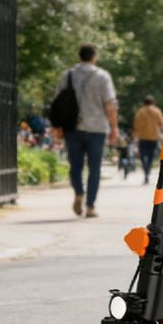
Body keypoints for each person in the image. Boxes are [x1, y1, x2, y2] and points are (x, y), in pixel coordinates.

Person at [53, 43, 118, 218]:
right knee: (95, 167)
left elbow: (57, 102)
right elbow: (110, 104)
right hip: (97, 128)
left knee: (75, 165)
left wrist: (57, 127)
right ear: (94, 56)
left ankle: (79, 192)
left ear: (79, 56)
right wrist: (114, 128)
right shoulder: (103, 77)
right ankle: (90, 206)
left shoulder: (67, 75)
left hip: (72, 127)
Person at [133, 95, 163, 185]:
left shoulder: (140, 112)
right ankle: (148, 170)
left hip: (142, 137)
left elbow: (136, 125)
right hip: (154, 136)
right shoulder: (157, 111)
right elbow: (161, 123)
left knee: (143, 155)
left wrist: (135, 135)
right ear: (153, 102)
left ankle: (145, 169)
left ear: (144, 102)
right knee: (151, 155)